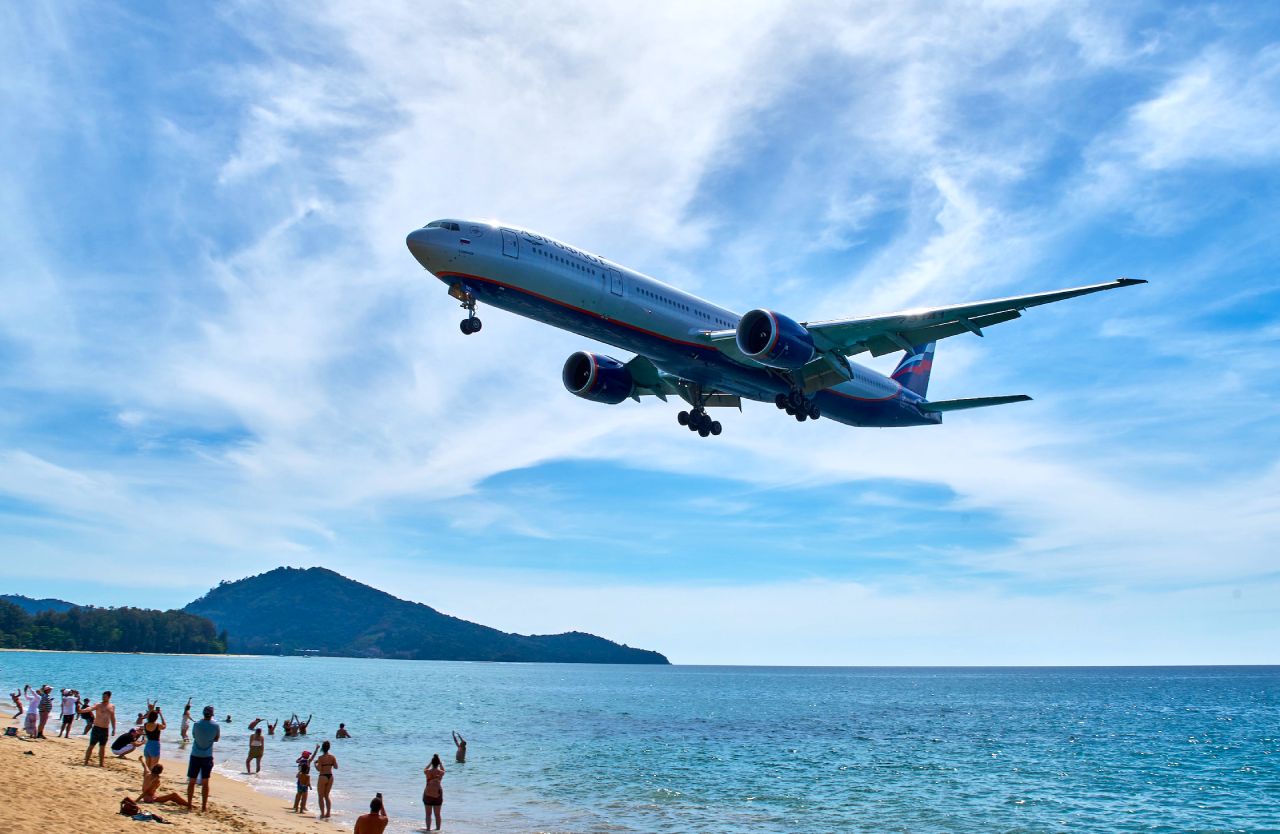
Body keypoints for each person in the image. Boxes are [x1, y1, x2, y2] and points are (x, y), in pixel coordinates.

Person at [186, 705, 221, 812]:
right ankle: (204, 807)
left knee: (192, 781)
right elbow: (217, 739)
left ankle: (189, 804)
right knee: (205, 783)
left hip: (195, 754)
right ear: (212, 714)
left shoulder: (196, 724)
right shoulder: (216, 726)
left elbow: (194, 736)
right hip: (207, 756)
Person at [82, 691, 116, 767]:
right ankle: (86, 762)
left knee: (102, 747)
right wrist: (82, 710)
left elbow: (113, 718)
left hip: (105, 729)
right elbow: (90, 708)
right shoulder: (98, 705)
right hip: (96, 728)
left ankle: (101, 764)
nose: (103, 698)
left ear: (109, 697)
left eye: (105, 696)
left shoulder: (112, 706)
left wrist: (114, 729)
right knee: (91, 746)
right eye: (103, 696)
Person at [314, 740, 338, 819]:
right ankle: (328, 813)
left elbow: (319, 769)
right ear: (329, 748)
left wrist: (315, 764)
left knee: (320, 796)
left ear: (322, 748)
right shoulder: (333, 757)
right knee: (326, 796)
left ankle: (322, 813)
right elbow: (336, 767)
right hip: (330, 776)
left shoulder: (320, 758)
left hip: (323, 776)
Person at [423, 753, 445, 831]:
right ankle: (438, 830)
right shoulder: (441, 772)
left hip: (427, 794)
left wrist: (430, 763)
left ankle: (428, 829)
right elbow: (443, 770)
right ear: (438, 763)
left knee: (428, 814)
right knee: (437, 814)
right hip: (438, 794)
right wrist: (440, 763)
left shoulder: (427, 772)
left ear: (432, 763)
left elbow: (425, 768)